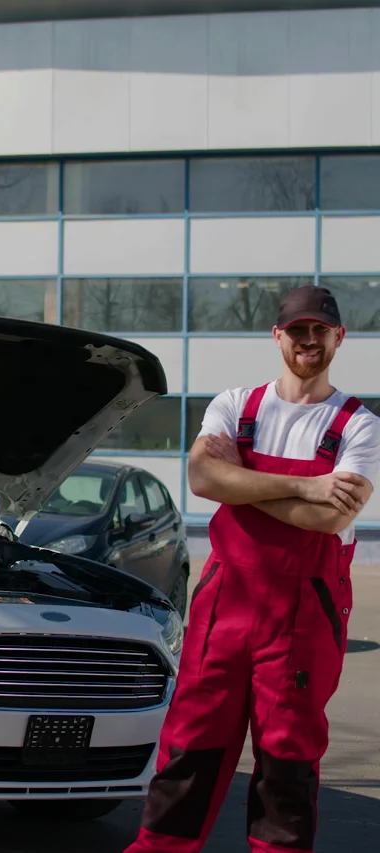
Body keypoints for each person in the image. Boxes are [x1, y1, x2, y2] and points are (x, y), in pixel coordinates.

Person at [123, 285, 380, 853]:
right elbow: (201, 478)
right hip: (225, 600)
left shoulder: (358, 425)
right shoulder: (237, 404)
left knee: (287, 753)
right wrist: (305, 484)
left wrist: (238, 485)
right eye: (297, 329)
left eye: (320, 330)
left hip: (302, 610)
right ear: (278, 336)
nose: (308, 340)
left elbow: (325, 520)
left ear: (339, 337)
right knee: (191, 740)